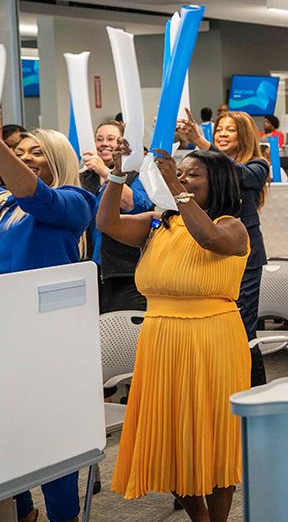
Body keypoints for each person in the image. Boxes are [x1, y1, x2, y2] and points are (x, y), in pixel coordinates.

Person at [99, 147, 250, 522]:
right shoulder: (157, 224)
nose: (181, 178)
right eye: (178, 172)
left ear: (216, 182)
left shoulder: (233, 226)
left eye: (191, 174)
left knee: (212, 438)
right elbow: (107, 223)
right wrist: (117, 176)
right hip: (161, 342)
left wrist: (170, 183)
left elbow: (209, 239)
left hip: (213, 342)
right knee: (173, 438)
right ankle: (197, 517)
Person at [2, 128, 94, 522]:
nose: (24, 157)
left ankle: (64, 516)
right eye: (18, 151)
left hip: (50, 341)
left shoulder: (75, 201)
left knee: (53, 436)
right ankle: (22, 511)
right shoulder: (5, 206)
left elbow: (34, 194)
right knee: (10, 433)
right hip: (9, 335)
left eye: (35, 152)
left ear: (56, 158)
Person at [177, 111, 270, 386]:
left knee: (242, 328)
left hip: (245, 255)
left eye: (230, 130)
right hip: (211, 249)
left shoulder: (258, 165)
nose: (222, 134)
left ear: (244, 134)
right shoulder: (207, 164)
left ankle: (255, 389)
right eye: (219, 129)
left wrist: (203, 143)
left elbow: (235, 173)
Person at [81, 120, 154, 312]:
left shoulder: (136, 175)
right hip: (89, 270)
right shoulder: (84, 179)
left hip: (124, 270)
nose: (104, 143)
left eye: (111, 139)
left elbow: (137, 206)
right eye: (99, 139)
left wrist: (107, 173)